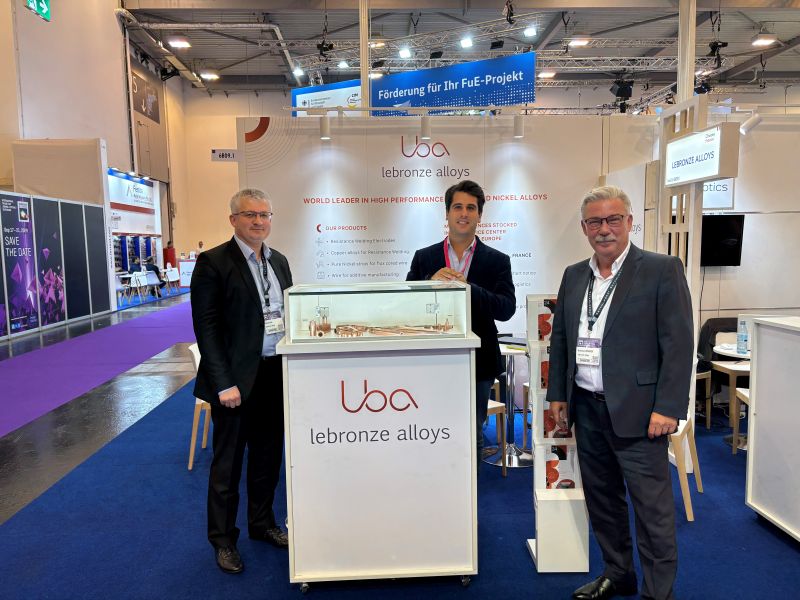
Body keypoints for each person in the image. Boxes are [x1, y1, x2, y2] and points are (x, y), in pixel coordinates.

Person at [547, 186, 693, 600]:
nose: (604, 229)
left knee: (652, 511)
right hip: (587, 408)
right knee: (603, 501)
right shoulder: (575, 275)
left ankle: (657, 593)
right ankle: (618, 573)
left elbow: (678, 345)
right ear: (584, 228)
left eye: (613, 219)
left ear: (630, 222)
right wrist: (558, 394)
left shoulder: (662, 269)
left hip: (642, 413)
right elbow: (562, 339)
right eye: (595, 221)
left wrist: (668, 407)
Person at [191, 188, 293, 575]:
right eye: (251, 215)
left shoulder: (279, 261)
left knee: (267, 459)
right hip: (234, 383)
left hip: (273, 374)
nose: (259, 221)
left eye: (265, 215)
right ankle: (223, 540)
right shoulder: (213, 262)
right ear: (233, 219)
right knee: (228, 466)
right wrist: (223, 383)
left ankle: (262, 523)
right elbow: (207, 328)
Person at [406, 180, 515, 467]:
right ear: (447, 213)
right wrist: (429, 284)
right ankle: (434, 483)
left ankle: (471, 492)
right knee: (430, 428)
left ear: (480, 215)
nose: (464, 214)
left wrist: (469, 289)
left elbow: (506, 309)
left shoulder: (497, 260)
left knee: (471, 431)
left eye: (471, 208)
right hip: (432, 358)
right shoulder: (425, 257)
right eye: (457, 207)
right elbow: (406, 305)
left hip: (479, 361)